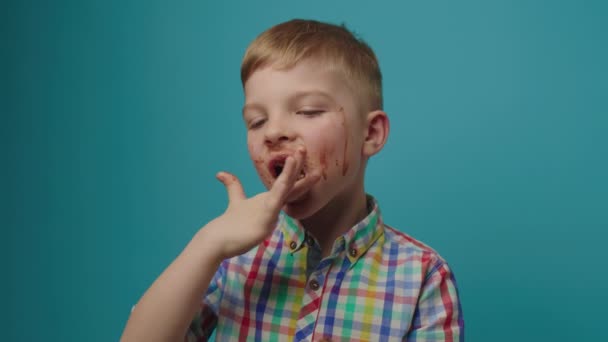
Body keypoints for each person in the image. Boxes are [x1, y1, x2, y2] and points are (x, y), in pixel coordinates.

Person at [121, 19, 464, 341]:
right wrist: (208, 243)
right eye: (256, 121)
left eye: (308, 111)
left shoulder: (422, 276)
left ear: (370, 134)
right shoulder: (230, 258)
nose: (272, 132)